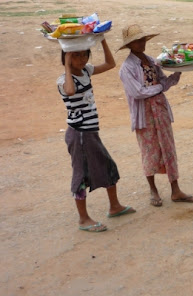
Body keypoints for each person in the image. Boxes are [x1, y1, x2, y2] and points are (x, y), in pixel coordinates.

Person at [57, 38, 136, 233]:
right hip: (79, 134)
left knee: (108, 166)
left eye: (84, 54)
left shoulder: (86, 71)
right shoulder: (63, 80)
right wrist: (67, 66)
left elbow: (110, 64)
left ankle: (114, 206)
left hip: (90, 133)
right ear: (67, 58)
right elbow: (70, 90)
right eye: (76, 55)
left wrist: (102, 40)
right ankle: (83, 219)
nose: (82, 59)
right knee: (81, 174)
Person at [118, 24, 193, 207]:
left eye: (142, 40)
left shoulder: (153, 61)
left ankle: (175, 190)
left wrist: (181, 69)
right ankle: (153, 190)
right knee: (149, 150)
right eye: (137, 41)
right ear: (130, 45)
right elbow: (138, 92)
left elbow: (164, 81)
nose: (141, 43)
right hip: (144, 113)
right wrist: (160, 88)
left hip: (159, 109)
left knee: (168, 148)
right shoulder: (126, 68)